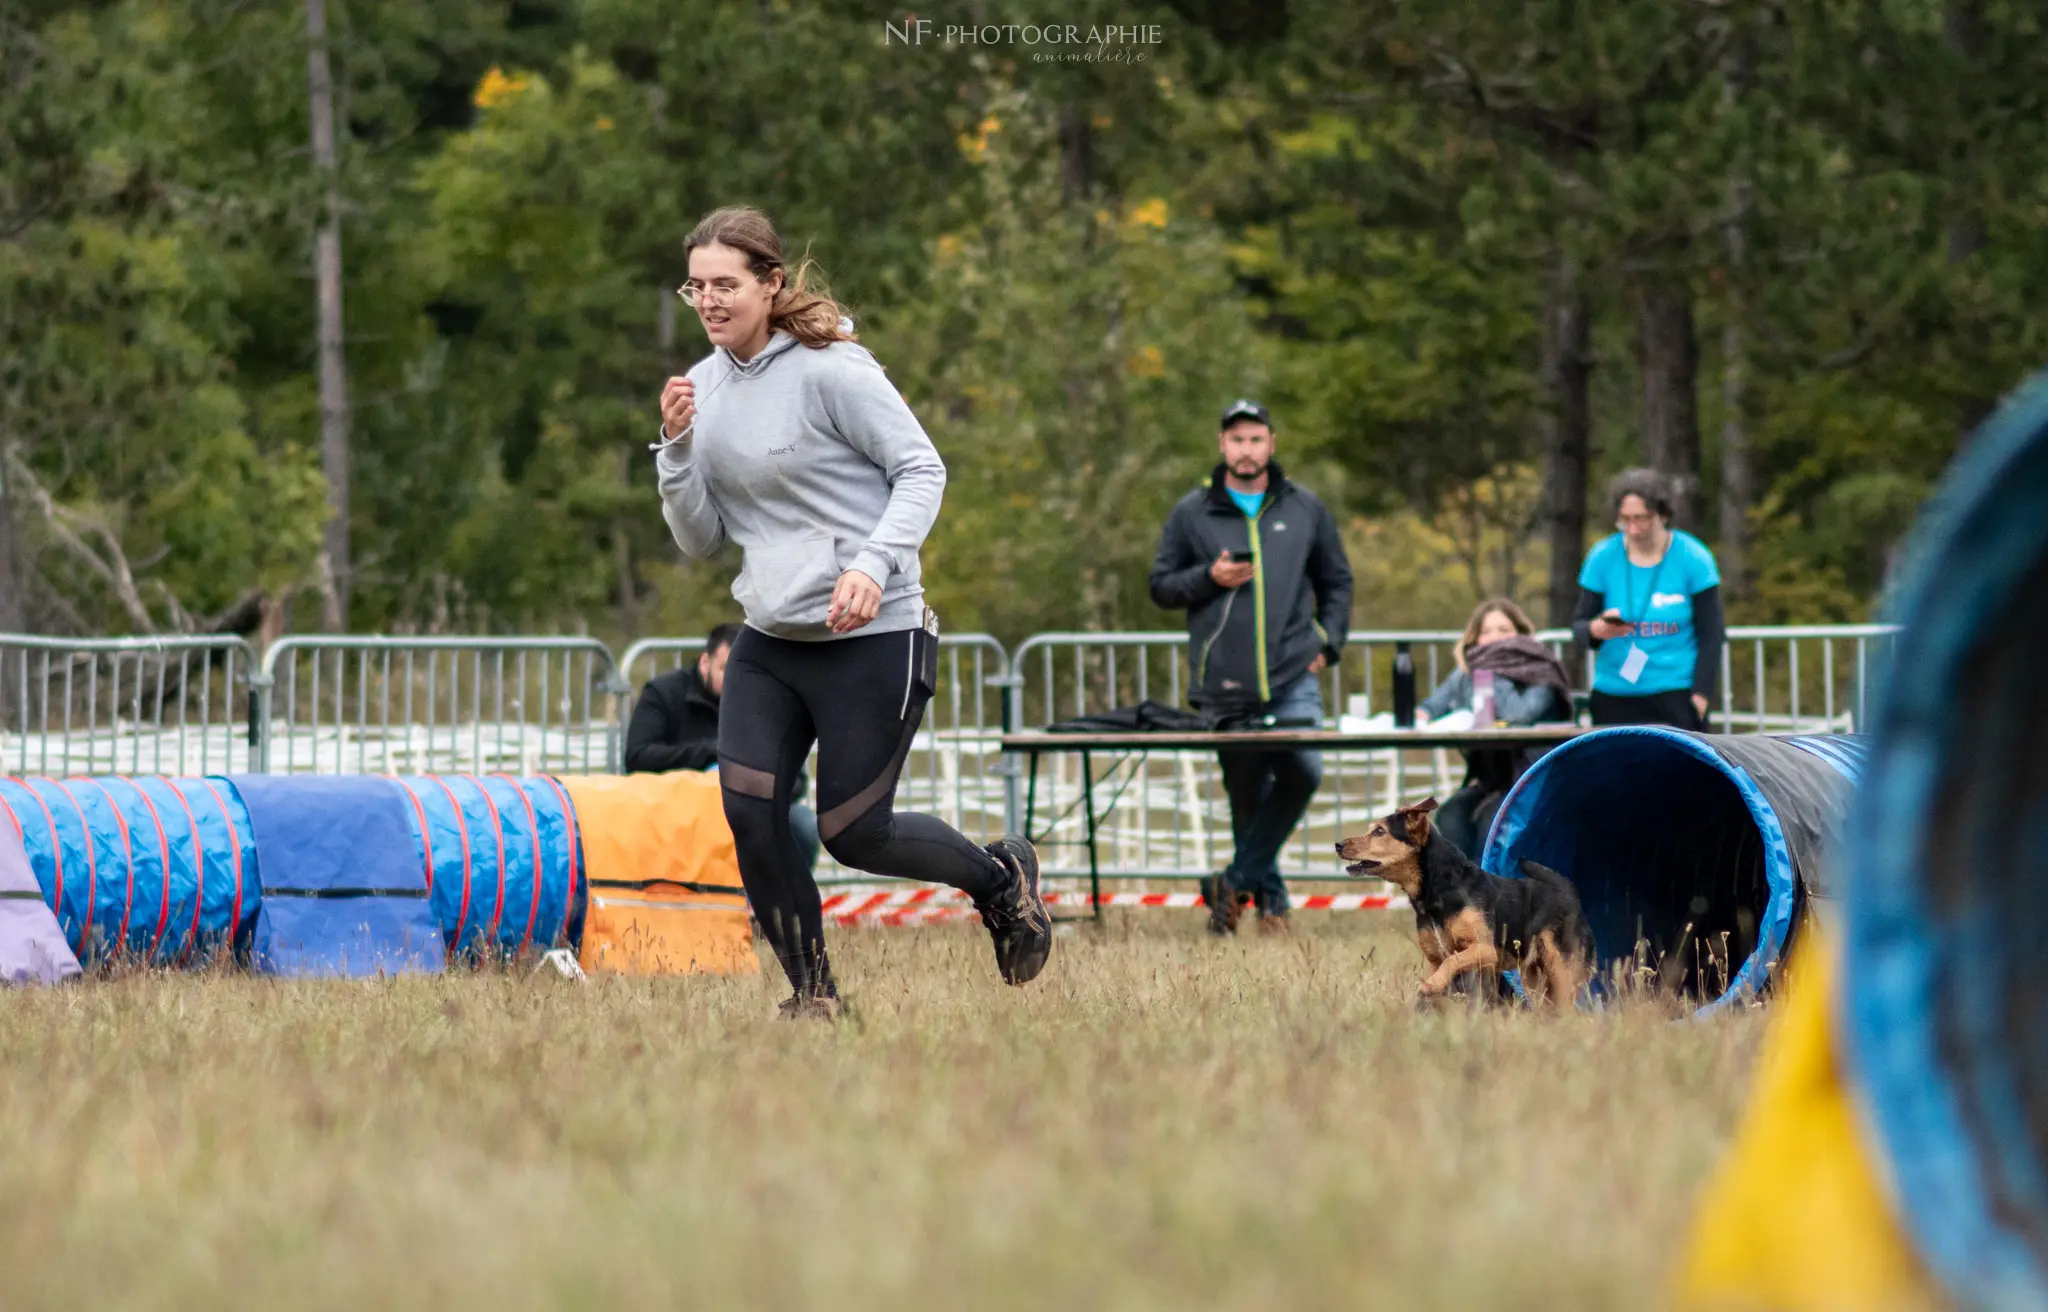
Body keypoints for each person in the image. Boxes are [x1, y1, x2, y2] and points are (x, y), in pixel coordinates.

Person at [653, 205, 1050, 1018]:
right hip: (772, 637)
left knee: (853, 834)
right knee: (749, 812)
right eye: (696, 288)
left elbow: (922, 469)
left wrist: (874, 563)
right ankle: (815, 997)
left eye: (725, 285)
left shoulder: (834, 369)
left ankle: (1000, 881)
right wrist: (678, 450)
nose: (710, 302)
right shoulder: (705, 390)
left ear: (770, 283)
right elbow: (699, 540)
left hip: (874, 631)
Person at [1148, 398, 1354, 936]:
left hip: (1293, 675)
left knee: (1304, 771)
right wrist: (1207, 579)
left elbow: (1338, 581)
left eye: (1256, 438)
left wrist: (1327, 644)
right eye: (1236, 439)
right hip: (1224, 682)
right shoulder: (1192, 511)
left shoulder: (1305, 507)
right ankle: (1274, 908)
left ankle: (1234, 882)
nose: (1246, 448)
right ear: (1222, 445)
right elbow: (1160, 586)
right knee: (1245, 793)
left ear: (1271, 444)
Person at [624, 622, 821, 875]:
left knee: (801, 825)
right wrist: (712, 752)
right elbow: (637, 757)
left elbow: (795, 781)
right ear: (705, 663)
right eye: (727, 670)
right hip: (676, 807)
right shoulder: (663, 693)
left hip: (748, 810)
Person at [1413, 598, 1574, 855]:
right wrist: (1422, 716)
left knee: (1494, 821)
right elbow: (1431, 707)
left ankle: (1492, 891)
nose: (1495, 638)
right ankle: (1462, 892)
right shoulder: (1467, 671)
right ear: (1474, 639)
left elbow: (1517, 715)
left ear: (1521, 635)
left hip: (1531, 777)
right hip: (1488, 779)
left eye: (1503, 630)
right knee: (1451, 815)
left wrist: (1491, 672)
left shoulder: (1541, 669)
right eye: (1486, 632)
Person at [1572, 469, 1726, 730]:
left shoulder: (1694, 557)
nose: (1633, 528)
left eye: (1641, 519)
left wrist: (1701, 695)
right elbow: (1578, 626)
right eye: (1625, 519)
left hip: (1675, 690)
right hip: (1615, 691)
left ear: (1662, 514)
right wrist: (1596, 630)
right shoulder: (1602, 557)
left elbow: (1711, 632)